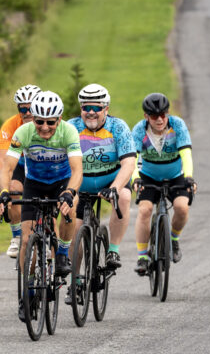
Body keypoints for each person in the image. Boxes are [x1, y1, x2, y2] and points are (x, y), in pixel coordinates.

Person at [0, 90, 82, 322]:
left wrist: (69, 192)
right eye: (39, 121)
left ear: (59, 119)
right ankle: (28, 292)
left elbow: (77, 170)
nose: (44, 127)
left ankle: (62, 252)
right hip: (34, 183)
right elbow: (7, 166)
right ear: (32, 119)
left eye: (50, 122)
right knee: (26, 240)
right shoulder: (23, 132)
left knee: (71, 207)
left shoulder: (69, 132)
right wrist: (3, 192)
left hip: (61, 183)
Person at [66, 84, 136, 304]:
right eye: (86, 107)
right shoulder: (71, 127)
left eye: (96, 107)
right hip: (81, 184)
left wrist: (115, 187)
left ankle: (113, 250)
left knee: (124, 197)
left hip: (110, 180)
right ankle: (75, 281)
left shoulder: (118, 127)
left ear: (106, 108)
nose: (91, 112)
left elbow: (129, 162)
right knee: (76, 233)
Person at [132, 93, 196, 275]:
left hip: (175, 175)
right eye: (154, 116)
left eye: (163, 114)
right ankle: (143, 257)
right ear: (146, 116)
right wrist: (135, 178)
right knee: (144, 210)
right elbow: (132, 158)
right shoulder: (139, 130)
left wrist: (189, 177)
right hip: (148, 176)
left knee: (182, 208)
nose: (159, 119)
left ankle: (174, 239)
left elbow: (186, 154)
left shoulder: (177, 126)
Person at [0, 84, 41, 258]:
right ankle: (16, 236)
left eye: (31, 107)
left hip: (42, 166)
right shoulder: (11, 125)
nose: (27, 112)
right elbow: (2, 159)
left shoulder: (47, 123)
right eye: (23, 108)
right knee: (12, 189)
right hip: (19, 165)